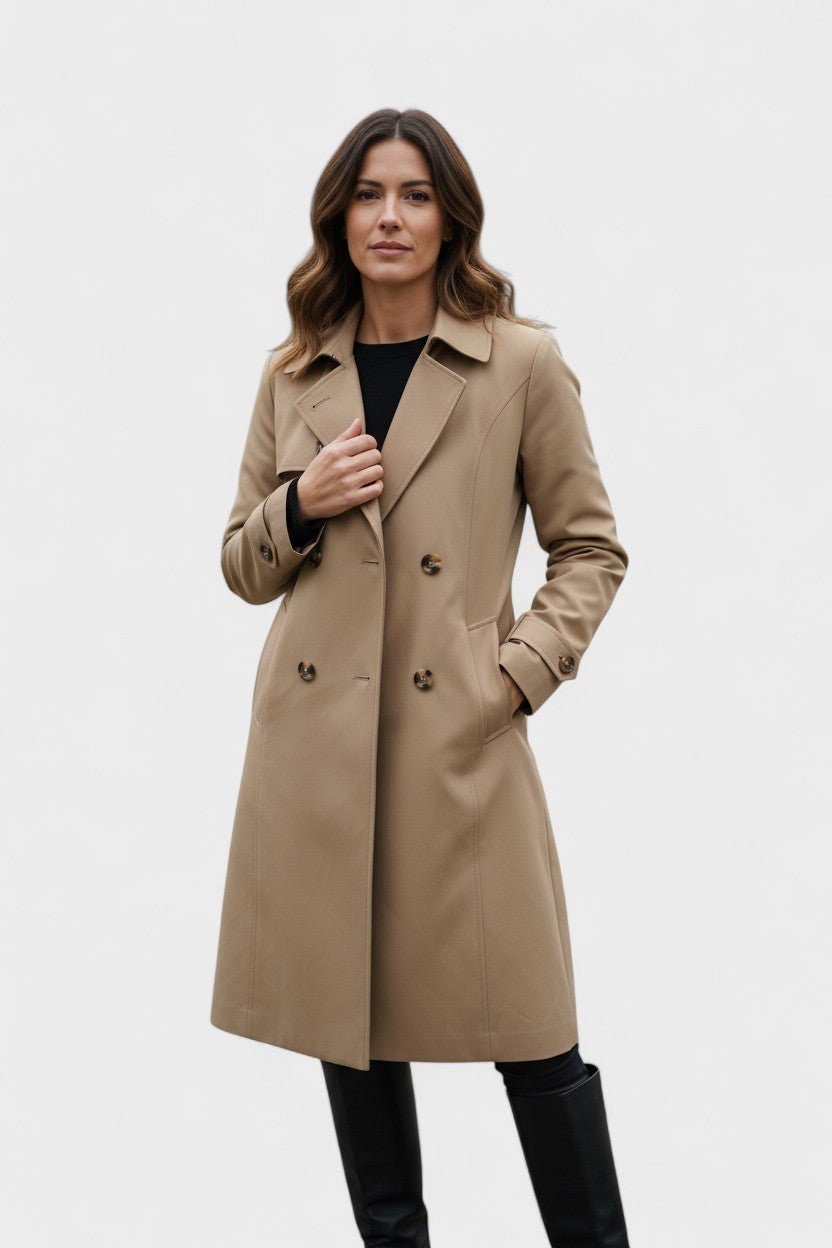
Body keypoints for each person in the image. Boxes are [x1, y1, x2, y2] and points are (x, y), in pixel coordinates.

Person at [211, 107, 631, 1247]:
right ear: (337, 219)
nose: (388, 216)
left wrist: (513, 677)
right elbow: (241, 564)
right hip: (319, 756)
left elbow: (590, 548)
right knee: (350, 1034)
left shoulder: (519, 361)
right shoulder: (295, 370)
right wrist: (302, 504)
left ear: (451, 218)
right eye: (366, 194)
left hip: (459, 749)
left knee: (536, 1037)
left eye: (414, 194)